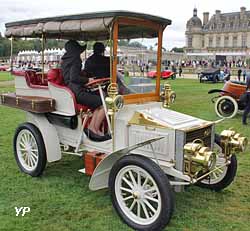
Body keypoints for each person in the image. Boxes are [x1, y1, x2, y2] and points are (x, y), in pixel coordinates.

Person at [61, 40, 110, 141]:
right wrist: (88, 80)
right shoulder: (75, 60)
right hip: (77, 91)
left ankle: (94, 130)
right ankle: (93, 129)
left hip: (71, 90)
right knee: (104, 102)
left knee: (99, 102)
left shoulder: (66, 60)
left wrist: (84, 76)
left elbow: (71, 77)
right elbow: (74, 77)